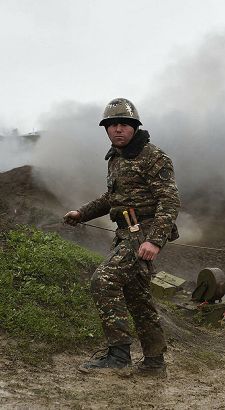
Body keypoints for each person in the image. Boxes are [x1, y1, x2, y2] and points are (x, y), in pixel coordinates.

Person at [63, 98, 180, 377]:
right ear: (106, 129)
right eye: (112, 124)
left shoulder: (154, 157)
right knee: (138, 298)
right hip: (124, 234)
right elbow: (111, 198)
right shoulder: (116, 158)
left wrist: (155, 241)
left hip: (143, 235)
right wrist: (82, 213)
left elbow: (170, 200)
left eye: (124, 124)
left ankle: (118, 355)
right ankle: (154, 363)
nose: (118, 129)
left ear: (134, 127)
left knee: (103, 281)